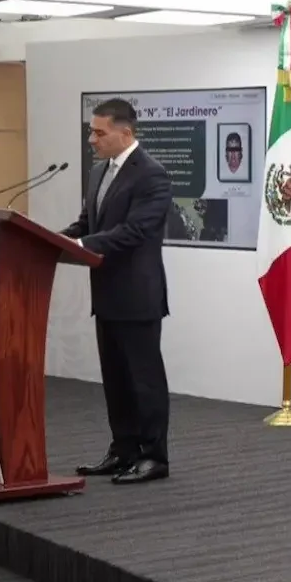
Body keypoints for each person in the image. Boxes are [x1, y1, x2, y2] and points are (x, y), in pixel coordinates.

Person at [61, 98, 174, 485]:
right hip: (106, 295)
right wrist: (49, 240)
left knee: (144, 380)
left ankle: (154, 456)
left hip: (138, 296)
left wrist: (81, 246)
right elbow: (86, 222)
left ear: (125, 133)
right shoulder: (98, 172)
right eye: (91, 131)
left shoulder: (152, 175)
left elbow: (135, 231)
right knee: (115, 379)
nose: (92, 139)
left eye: (99, 132)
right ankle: (123, 449)